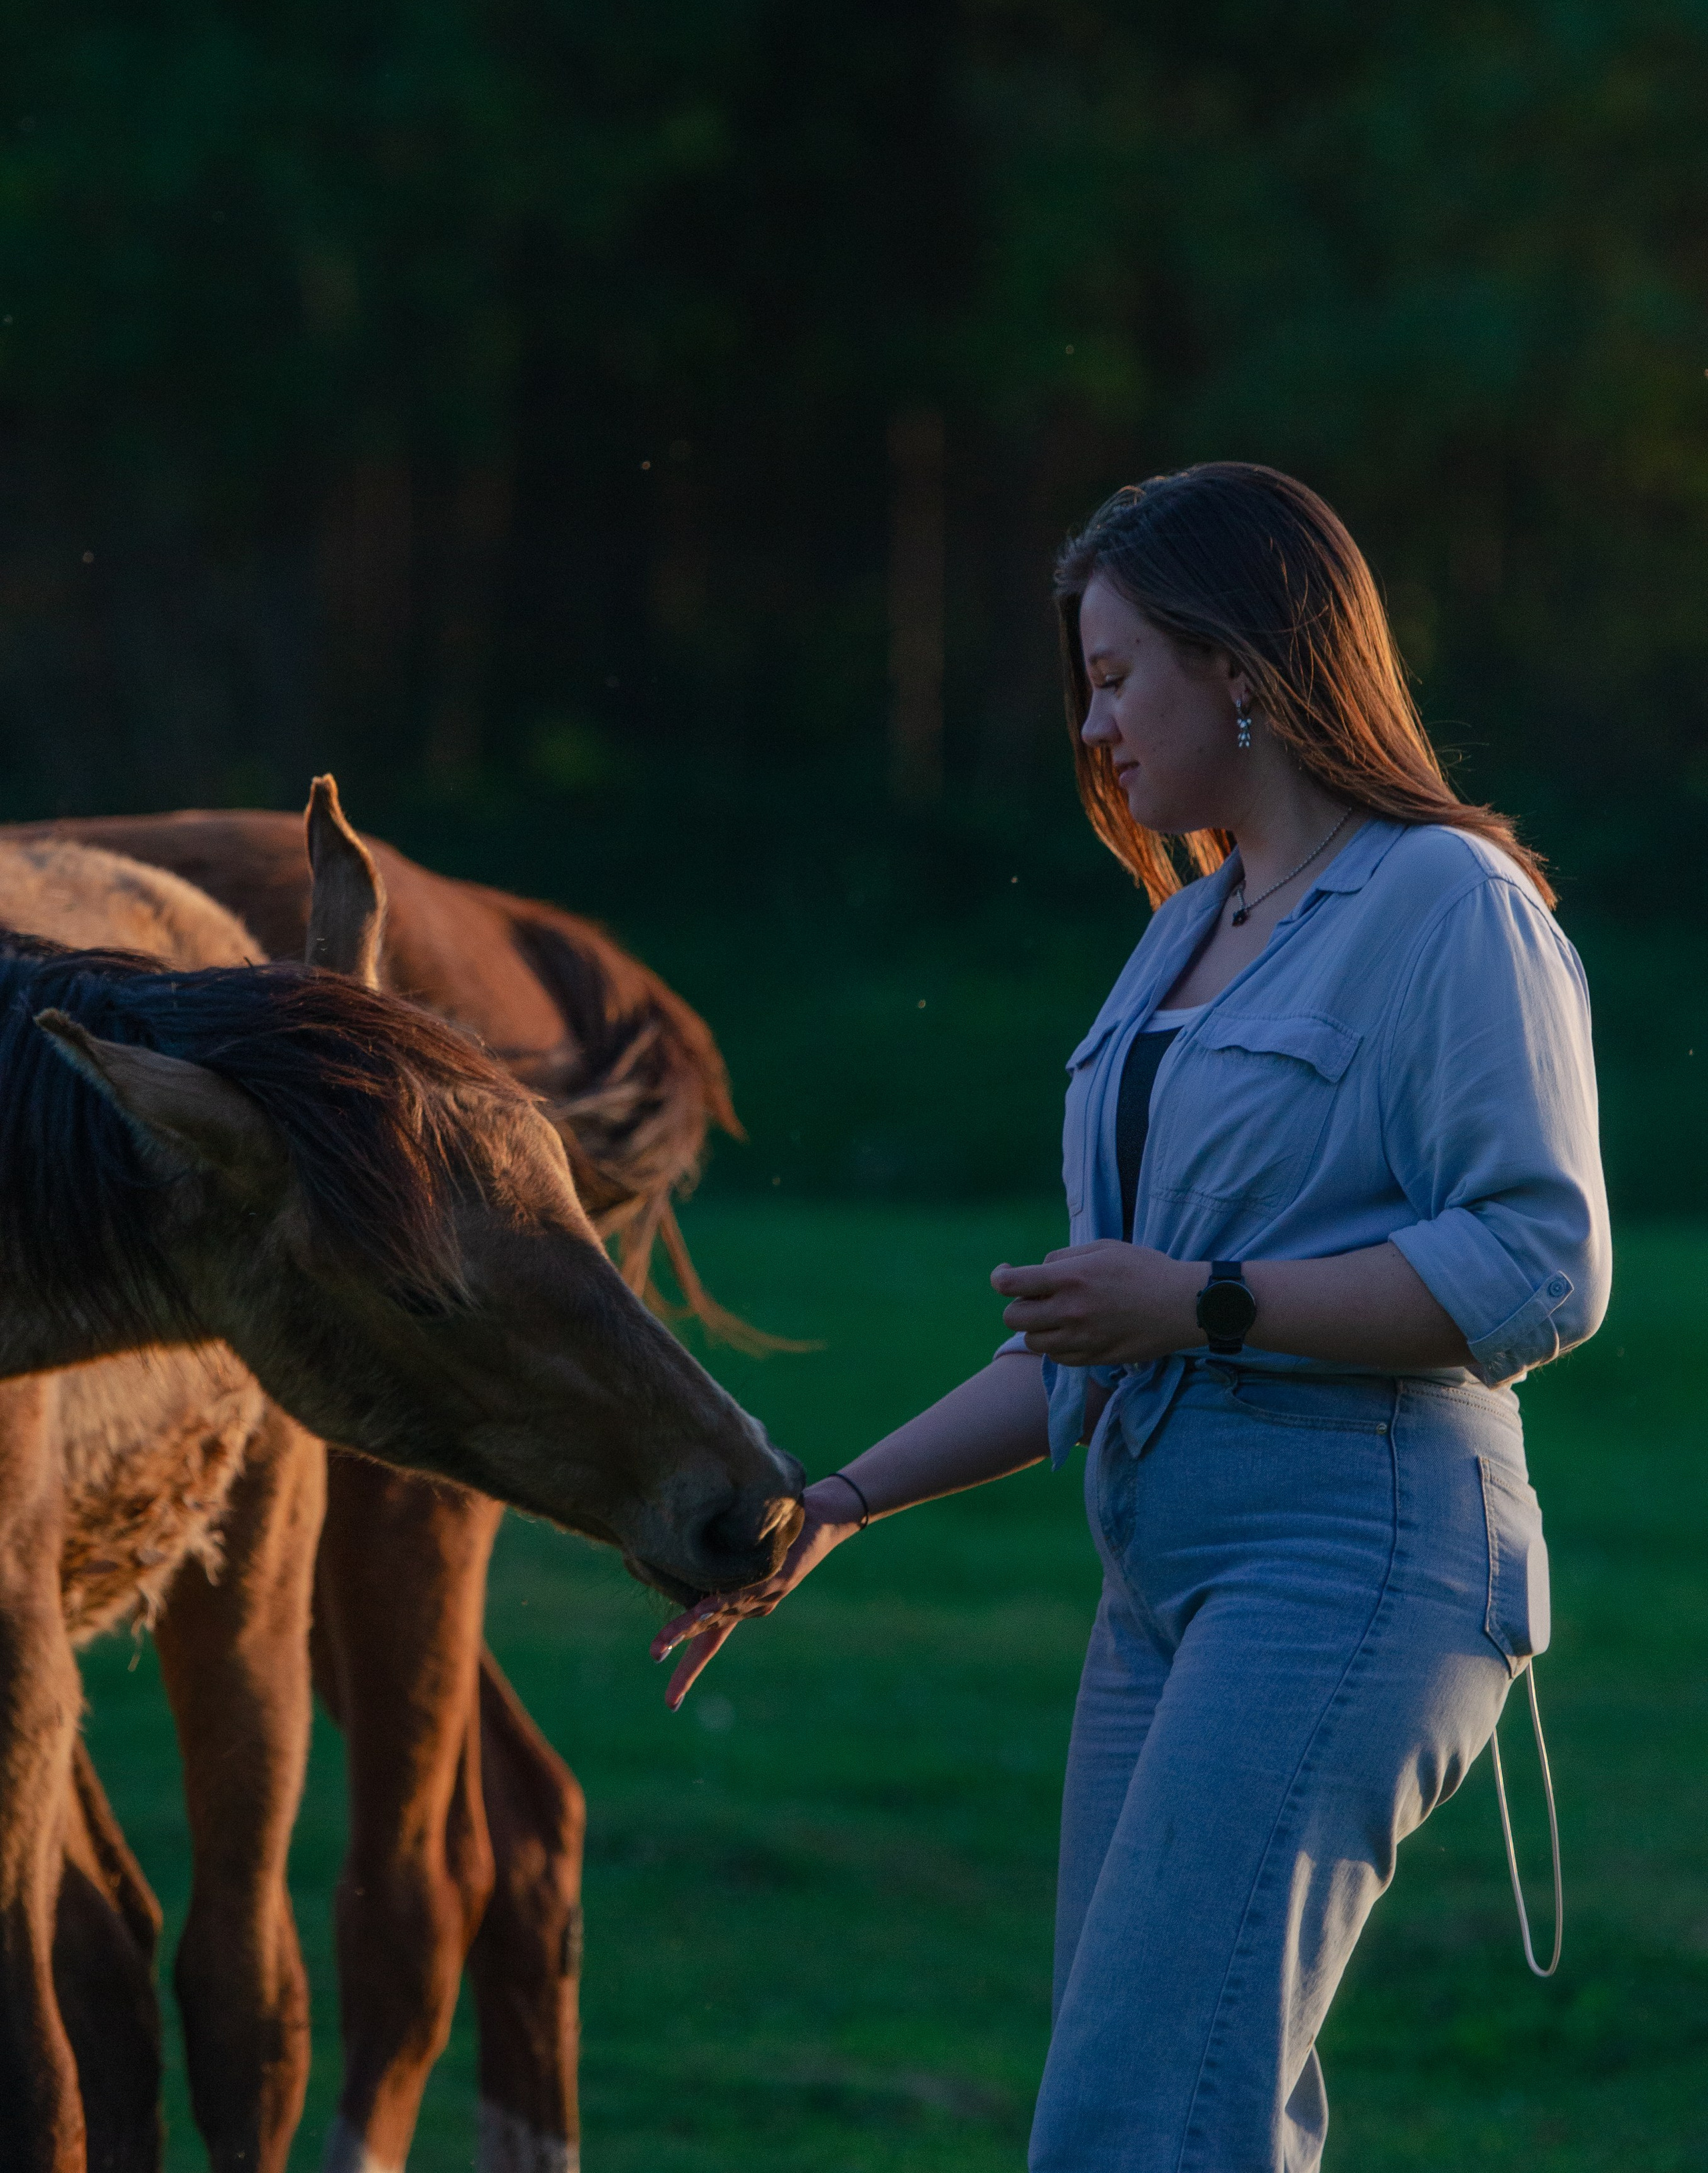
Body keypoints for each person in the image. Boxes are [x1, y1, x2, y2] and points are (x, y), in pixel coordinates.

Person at [652, 462, 1609, 2173]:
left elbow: (1539, 1265)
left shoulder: (1445, 904)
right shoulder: (1178, 931)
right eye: (1082, 686)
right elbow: (1100, 1329)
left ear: (1239, 663)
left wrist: (1205, 1302)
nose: (1090, 725)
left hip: (1357, 1558)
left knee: (1136, 2121)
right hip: (1159, 1583)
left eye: (1115, 675)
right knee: (1164, 2105)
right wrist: (842, 1506)